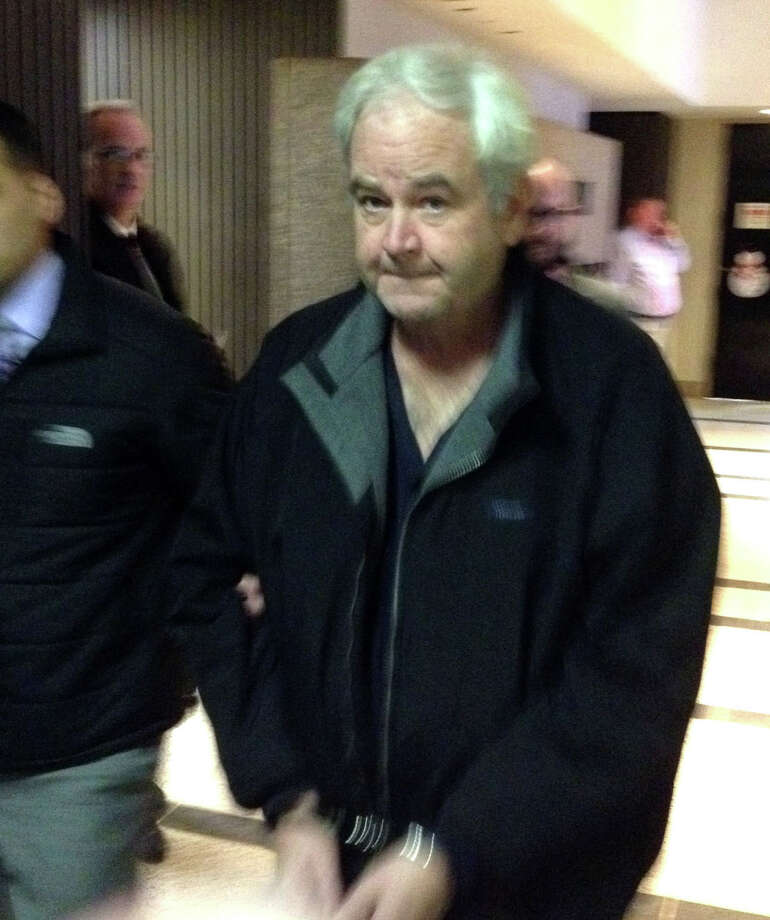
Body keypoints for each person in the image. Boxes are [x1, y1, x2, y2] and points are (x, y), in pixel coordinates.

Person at [170, 45, 720, 920]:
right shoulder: (297, 373)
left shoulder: (611, 395)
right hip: (344, 876)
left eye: (432, 200)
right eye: (370, 201)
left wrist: (454, 851)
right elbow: (203, 573)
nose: (396, 241)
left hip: (537, 887)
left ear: (507, 210)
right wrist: (292, 801)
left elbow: (633, 678)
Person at [0, 101, 231, 920]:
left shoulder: (152, 356)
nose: (130, 168)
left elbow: (228, 531)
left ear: (43, 194)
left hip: (78, 755)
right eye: (114, 153)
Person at [83, 100, 186, 311]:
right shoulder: (76, 246)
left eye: (141, 155)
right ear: (86, 161)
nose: (131, 169)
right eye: (115, 154)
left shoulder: (156, 247)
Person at [524, 157, 630, 311]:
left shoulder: (603, 304)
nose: (537, 229)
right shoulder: (494, 303)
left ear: (574, 216)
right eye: (530, 214)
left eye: (551, 214)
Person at [608, 196, 691, 353]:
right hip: (641, 320)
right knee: (641, 365)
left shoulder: (667, 239)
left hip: (667, 320)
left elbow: (684, 265)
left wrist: (675, 240)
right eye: (650, 212)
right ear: (636, 213)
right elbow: (616, 282)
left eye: (659, 213)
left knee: (661, 364)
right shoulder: (625, 241)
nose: (656, 217)